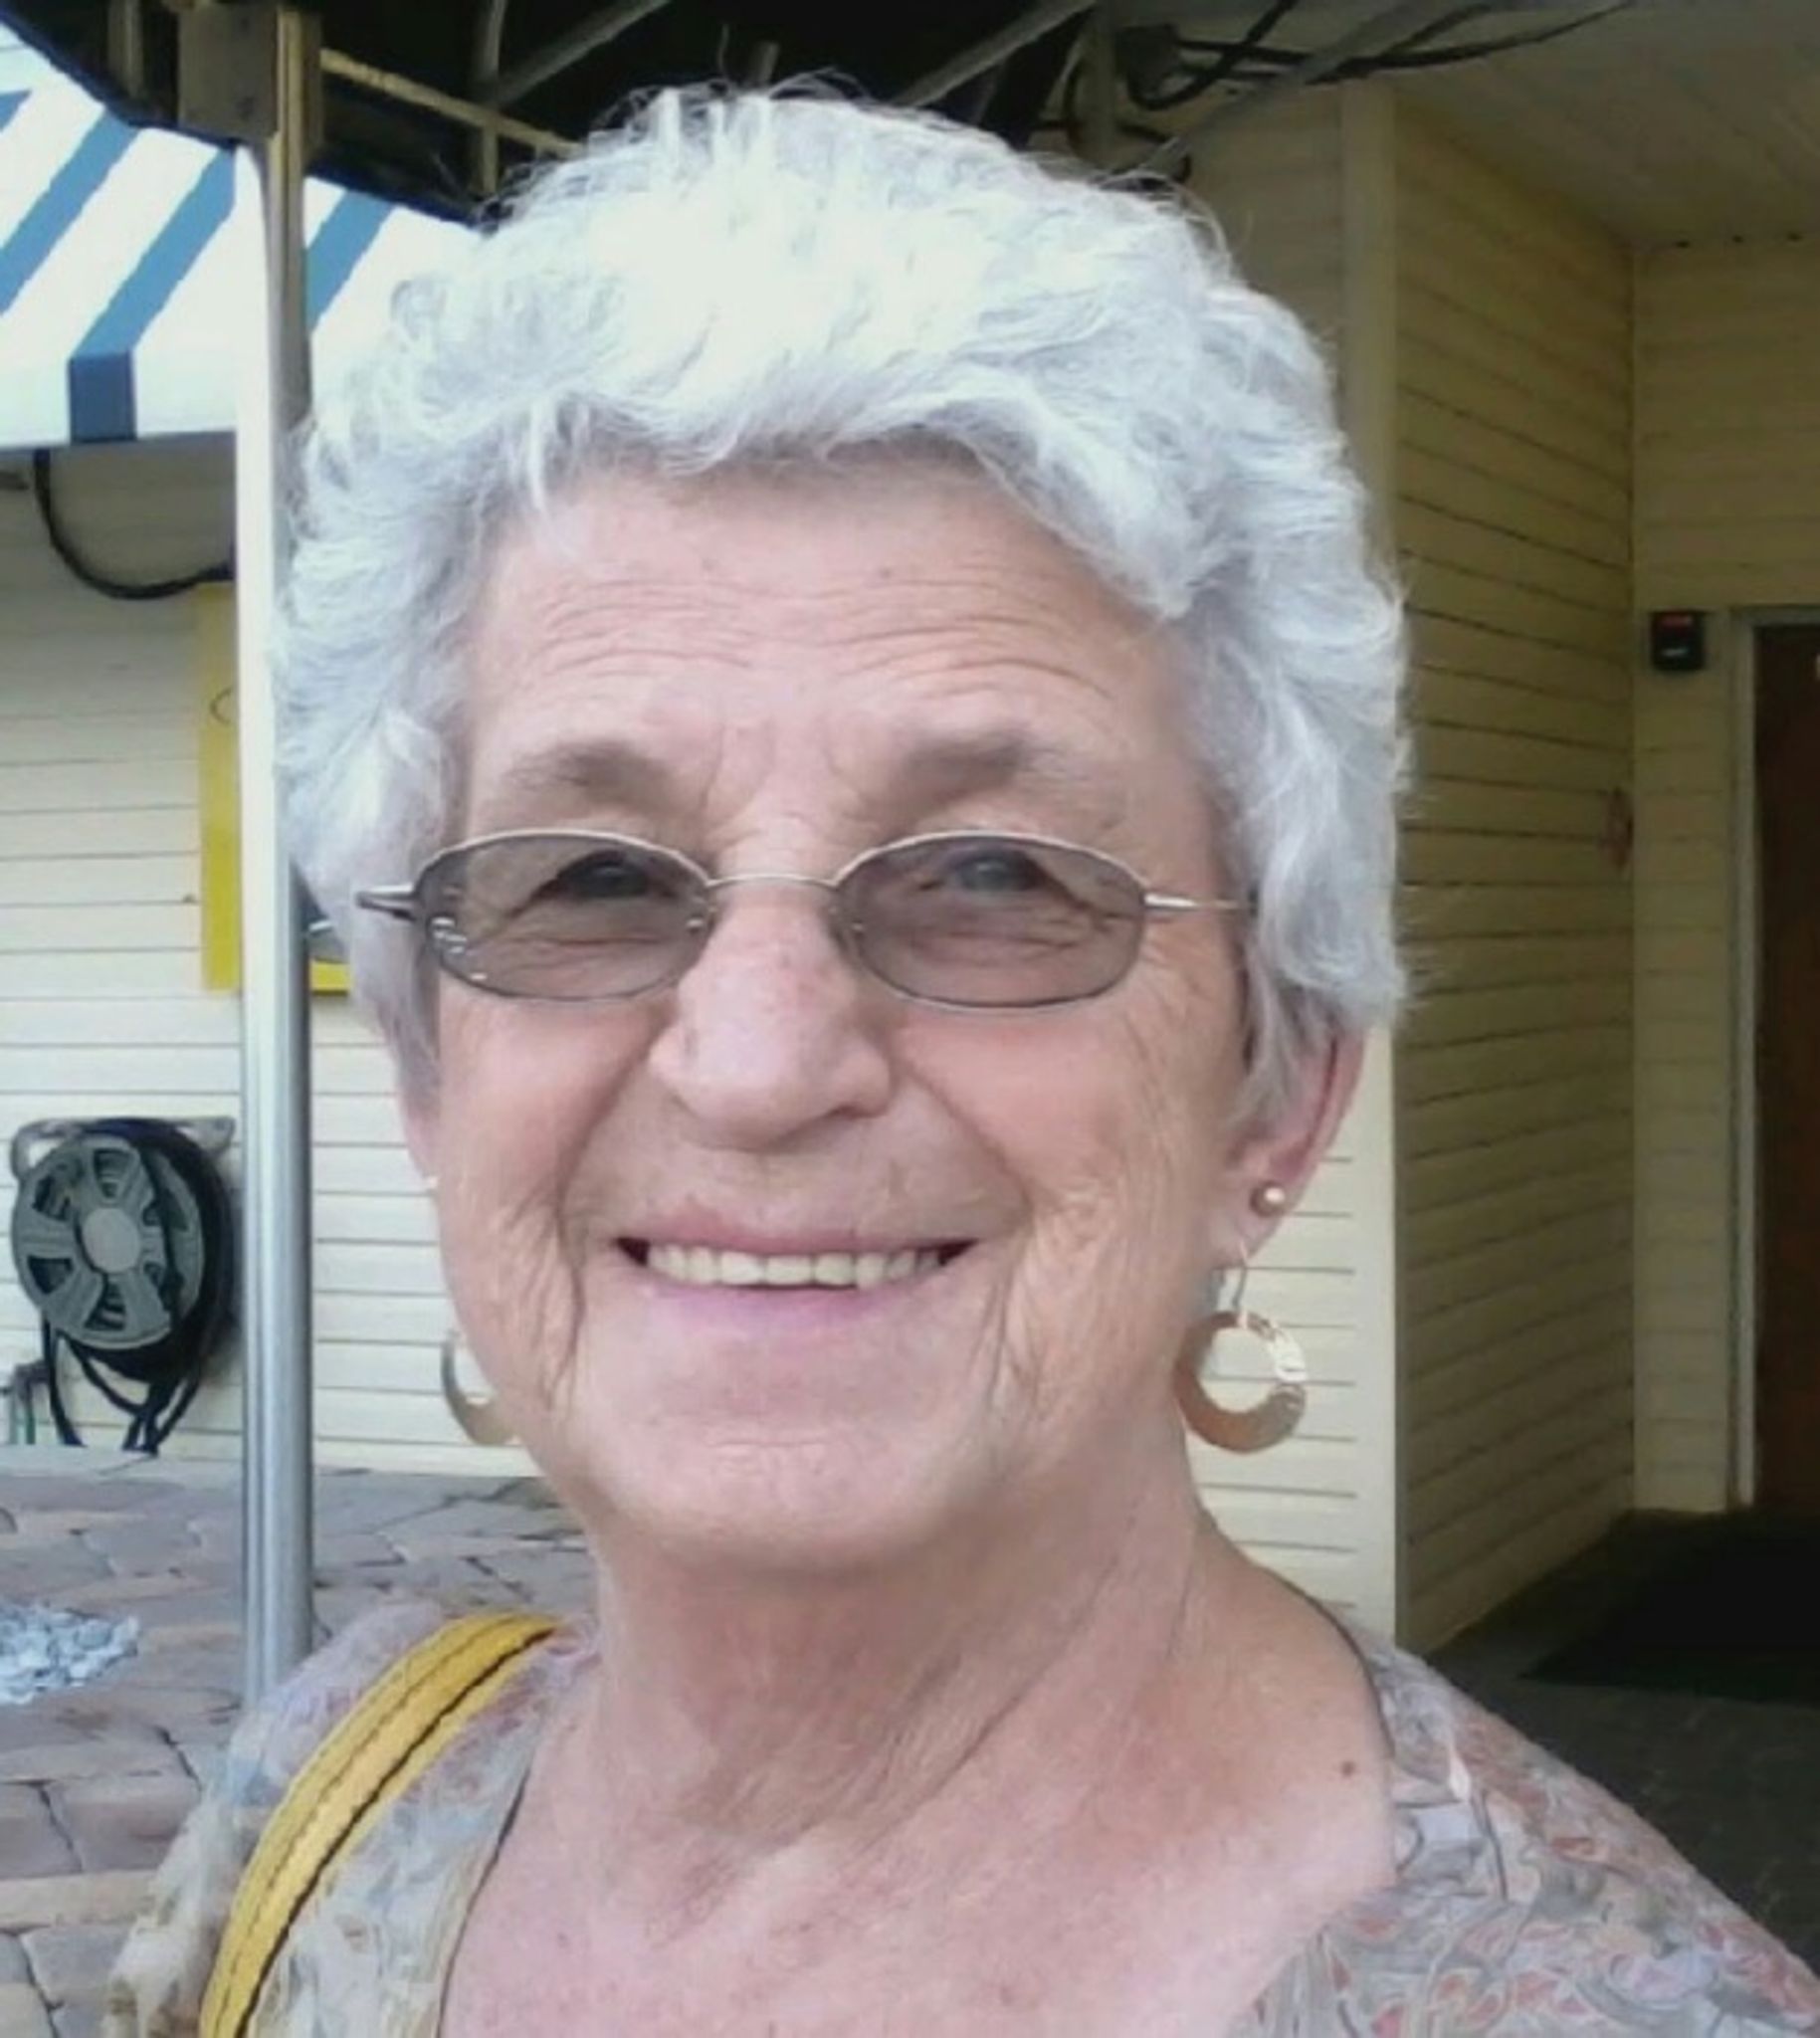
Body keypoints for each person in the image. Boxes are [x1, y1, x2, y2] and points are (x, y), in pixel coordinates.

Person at [105, 89, 1819, 2036]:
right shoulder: (325, 1795)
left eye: (994, 878)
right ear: (429, 1072)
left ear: (1278, 1085)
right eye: (593, 877)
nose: (759, 1063)